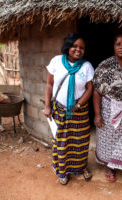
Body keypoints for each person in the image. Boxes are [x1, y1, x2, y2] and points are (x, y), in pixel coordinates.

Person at [44, 33, 94, 185]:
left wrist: (78, 105)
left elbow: (89, 89)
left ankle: (81, 168)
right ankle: (63, 171)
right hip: (59, 110)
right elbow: (49, 85)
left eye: (81, 48)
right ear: (68, 46)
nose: (78, 50)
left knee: (80, 142)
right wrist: (47, 106)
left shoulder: (86, 66)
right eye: (74, 46)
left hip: (80, 111)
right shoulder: (56, 61)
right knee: (61, 142)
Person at [93, 34, 122, 181]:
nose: (121, 47)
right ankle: (110, 167)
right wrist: (97, 114)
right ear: (114, 47)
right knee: (110, 140)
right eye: (118, 44)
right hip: (110, 111)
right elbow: (97, 91)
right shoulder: (105, 66)